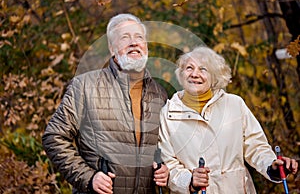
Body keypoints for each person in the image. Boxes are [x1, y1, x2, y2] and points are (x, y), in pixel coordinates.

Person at [42, 13, 169, 194]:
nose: (134, 42)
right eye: (125, 37)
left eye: (139, 37)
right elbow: (54, 136)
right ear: (112, 48)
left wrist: (165, 169)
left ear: (146, 46)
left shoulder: (160, 93)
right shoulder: (85, 86)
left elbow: (163, 149)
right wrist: (88, 177)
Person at [158, 46, 298, 193]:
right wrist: (190, 180)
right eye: (189, 68)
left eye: (203, 69)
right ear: (181, 74)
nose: (194, 74)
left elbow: (256, 146)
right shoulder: (168, 114)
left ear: (214, 76)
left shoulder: (234, 104)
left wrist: (272, 165)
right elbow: (170, 165)